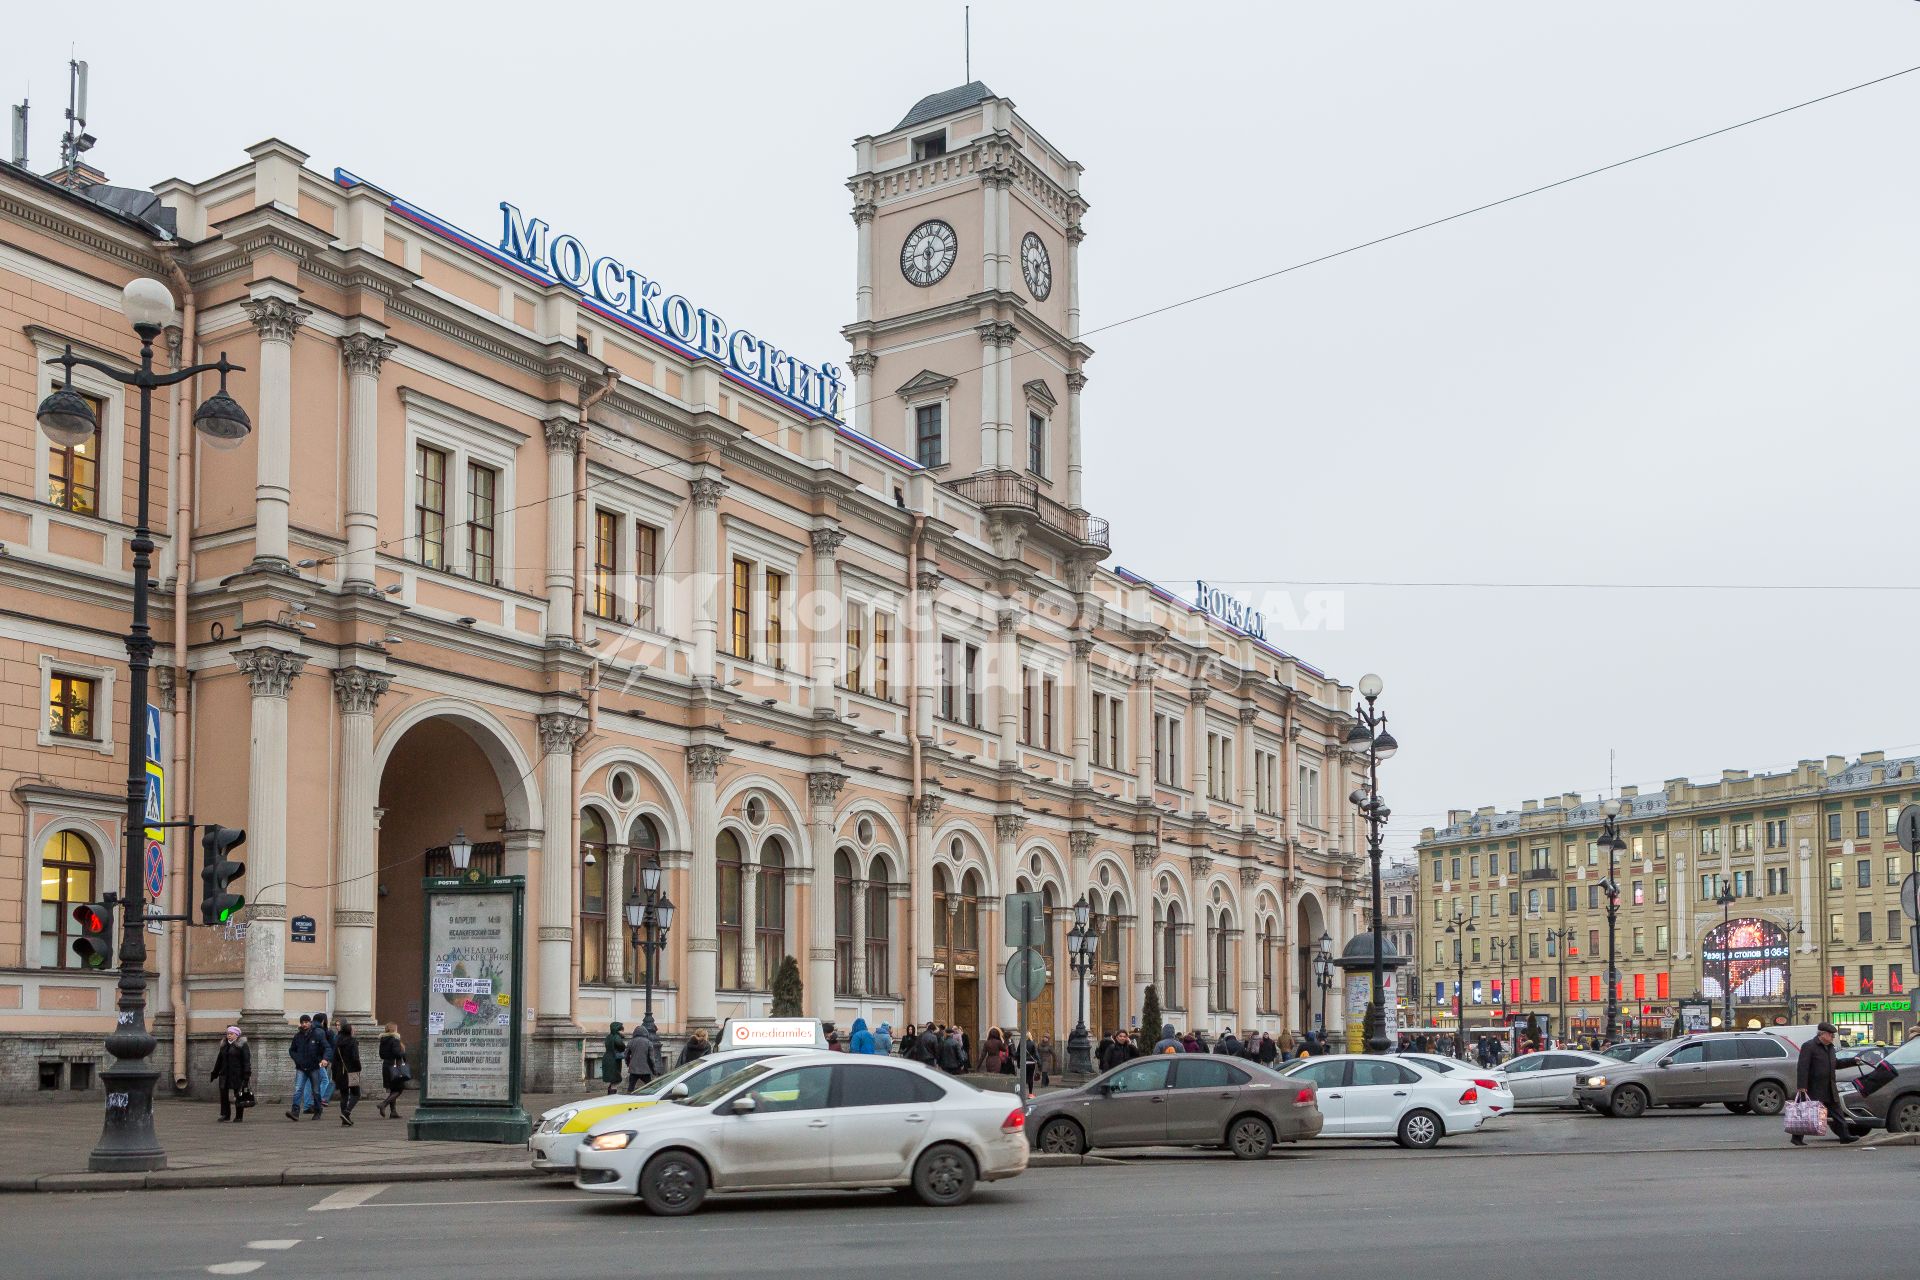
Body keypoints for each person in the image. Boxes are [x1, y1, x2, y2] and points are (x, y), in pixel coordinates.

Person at [1792, 1021, 1855, 1146]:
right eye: (1831, 1035)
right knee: (1806, 1113)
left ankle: (1845, 1136)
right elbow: (1802, 1067)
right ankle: (1796, 1138)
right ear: (1823, 1034)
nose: (1833, 1037)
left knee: (1838, 1113)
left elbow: (1835, 1063)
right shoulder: (1809, 1046)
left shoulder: (1830, 1047)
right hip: (1813, 1088)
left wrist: (1853, 1061)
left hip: (1829, 1086)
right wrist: (1801, 1086)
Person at [287, 1014, 328, 1121]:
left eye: (306, 1022)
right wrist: (297, 1059)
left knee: (316, 1090)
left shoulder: (317, 1034)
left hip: (314, 1066)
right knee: (298, 1089)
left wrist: (324, 1059)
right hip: (301, 1067)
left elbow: (326, 1048)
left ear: (310, 1022)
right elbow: (292, 1050)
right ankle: (295, 1112)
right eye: (302, 1022)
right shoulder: (297, 1036)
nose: (304, 1024)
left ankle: (318, 1110)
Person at [211, 1025, 251, 1123]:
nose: (229, 1036)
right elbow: (219, 1060)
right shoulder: (224, 1045)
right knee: (223, 1095)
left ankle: (239, 1116)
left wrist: (246, 1074)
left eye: (231, 1034)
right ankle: (225, 1115)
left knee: (238, 1095)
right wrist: (215, 1073)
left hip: (237, 1074)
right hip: (224, 1073)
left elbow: (246, 1061)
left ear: (236, 1035)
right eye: (228, 1034)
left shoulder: (242, 1045)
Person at [331, 1021, 364, 1126]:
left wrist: (334, 1074)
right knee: (356, 1094)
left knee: (344, 1095)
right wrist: (359, 1068)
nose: (354, 1030)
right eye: (353, 1029)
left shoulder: (338, 1042)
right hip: (352, 1071)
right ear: (350, 1031)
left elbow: (334, 1059)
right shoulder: (352, 1042)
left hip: (340, 1072)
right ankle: (347, 1112)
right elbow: (355, 1057)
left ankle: (345, 1118)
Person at [376, 1023, 410, 1119]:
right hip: (395, 1066)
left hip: (386, 1065)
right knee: (399, 1089)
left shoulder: (383, 1041)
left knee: (393, 1089)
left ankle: (393, 1112)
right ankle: (384, 1104)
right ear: (393, 1030)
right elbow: (397, 1053)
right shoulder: (395, 1040)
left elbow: (381, 1055)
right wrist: (403, 1052)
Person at [311, 1013, 338, 1112]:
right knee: (325, 1080)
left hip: (321, 1059)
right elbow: (330, 1046)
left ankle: (317, 1100)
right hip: (322, 1059)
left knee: (319, 1080)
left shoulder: (314, 1030)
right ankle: (320, 1099)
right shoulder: (326, 1032)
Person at [625, 1025, 665, 1090]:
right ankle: (653, 1097)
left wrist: (628, 1063)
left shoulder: (631, 1042)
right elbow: (651, 1058)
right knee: (651, 1087)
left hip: (633, 1069)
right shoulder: (648, 1042)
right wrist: (654, 1070)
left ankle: (629, 1099)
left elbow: (626, 1055)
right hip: (645, 1069)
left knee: (631, 1087)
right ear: (645, 1033)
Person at [600, 1021, 627, 1095]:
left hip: (607, 1058)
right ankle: (612, 1096)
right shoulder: (616, 1037)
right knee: (616, 1079)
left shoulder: (608, 1036)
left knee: (613, 1080)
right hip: (613, 1060)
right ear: (618, 1030)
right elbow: (620, 1045)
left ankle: (610, 1094)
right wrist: (623, 1043)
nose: (623, 1032)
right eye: (621, 1030)